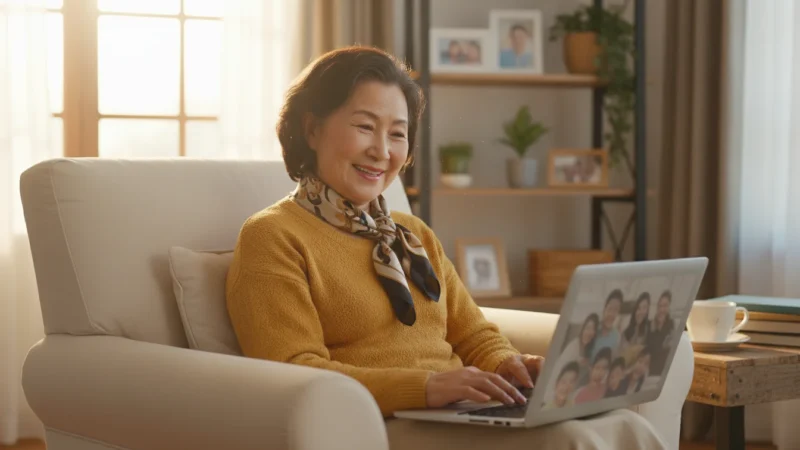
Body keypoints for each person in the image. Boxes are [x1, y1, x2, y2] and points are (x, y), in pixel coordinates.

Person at [225, 45, 667, 449]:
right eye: (364, 127)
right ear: (312, 128)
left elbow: (472, 333)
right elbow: (294, 371)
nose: (382, 151)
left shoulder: (412, 233)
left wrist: (509, 364)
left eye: (398, 134)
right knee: (569, 442)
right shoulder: (273, 237)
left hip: (457, 412)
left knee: (625, 426)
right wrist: (426, 387)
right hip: (380, 422)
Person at [646, 290, 676, 376]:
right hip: (650, 369)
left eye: (665, 306)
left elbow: (670, 347)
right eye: (660, 306)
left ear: (669, 306)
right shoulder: (650, 325)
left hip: (664, 369)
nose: (662, 309)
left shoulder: (671, 324)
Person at [619, 292, 651, 367]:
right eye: (639, 308)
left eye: (644, 308)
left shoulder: (647, 329)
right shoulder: (626, 326)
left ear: (647, 310)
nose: (641, 312)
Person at [592, 289, 623, 360]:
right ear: (604, 309)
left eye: (616, 310)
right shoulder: (593, 328)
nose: (611, 314)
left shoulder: (617, 337)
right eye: (610, 309)